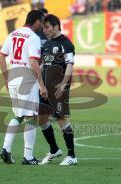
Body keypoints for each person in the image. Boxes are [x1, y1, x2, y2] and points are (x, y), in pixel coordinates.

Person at [0, 10, 47, 165]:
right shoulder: (33, 38)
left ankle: (6, 148)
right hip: (27, 81)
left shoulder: (13, 33)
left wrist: (6, 78)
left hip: (13, 78)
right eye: (42, 22)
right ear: (37, 21)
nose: (42, 25)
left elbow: (1, 57)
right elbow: (33, 63)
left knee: (18, 116)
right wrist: (42, 85)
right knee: (31, 117)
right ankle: (28, 156)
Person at [38, 14, 78, 165]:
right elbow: (43, 65)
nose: (44, 30)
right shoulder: (47, 44)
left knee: (61, 119)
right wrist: (38, 80)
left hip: (58, 88)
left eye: (47, 27)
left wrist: (63, 84)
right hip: (45, 89)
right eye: (43, 27)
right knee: (41, 119)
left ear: (56, 26)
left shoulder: (65, 43)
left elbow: (69, 64)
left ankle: (72, 156)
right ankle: (54, 149)